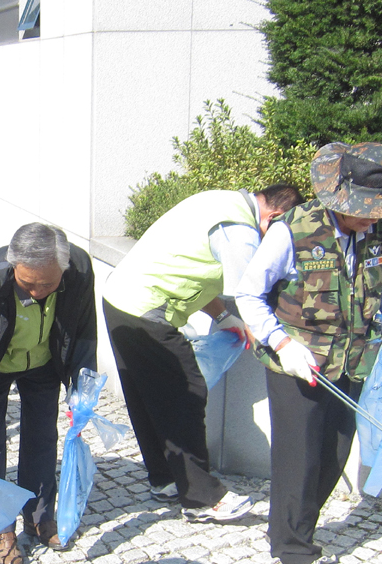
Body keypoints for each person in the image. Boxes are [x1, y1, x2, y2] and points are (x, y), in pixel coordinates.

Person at [235, 142, 382, 564]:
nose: (370, 219)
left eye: (377, 211)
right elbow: (248, 294)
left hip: (354, 359)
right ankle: (298, 553)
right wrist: (281, 344)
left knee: (334, 453)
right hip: (297, 360)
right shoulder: (293, 231)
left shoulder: (379, 229)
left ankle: (285, 530)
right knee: (299, 458)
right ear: (341, 199)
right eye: (363, 211)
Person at [102, 184, 304, 522]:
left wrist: (222, 317)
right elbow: (250, 297)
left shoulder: (221, 201)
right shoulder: (241, 233)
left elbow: (194, 267)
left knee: (147, 395)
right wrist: (275, 347)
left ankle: (165, 478)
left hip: (120, 298)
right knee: (186, 394)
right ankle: (202, 499)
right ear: (276, 217)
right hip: (147, 310)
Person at [0, 223, 97, 564]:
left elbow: (85, 332)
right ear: (14, 268)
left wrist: (82, 390)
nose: (38, 291)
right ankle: (0, 529)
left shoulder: (80, 270)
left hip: (44, 362)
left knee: (43, 437)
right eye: (27, 284)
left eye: (47, 283)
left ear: (64, 268)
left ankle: (39, 517)